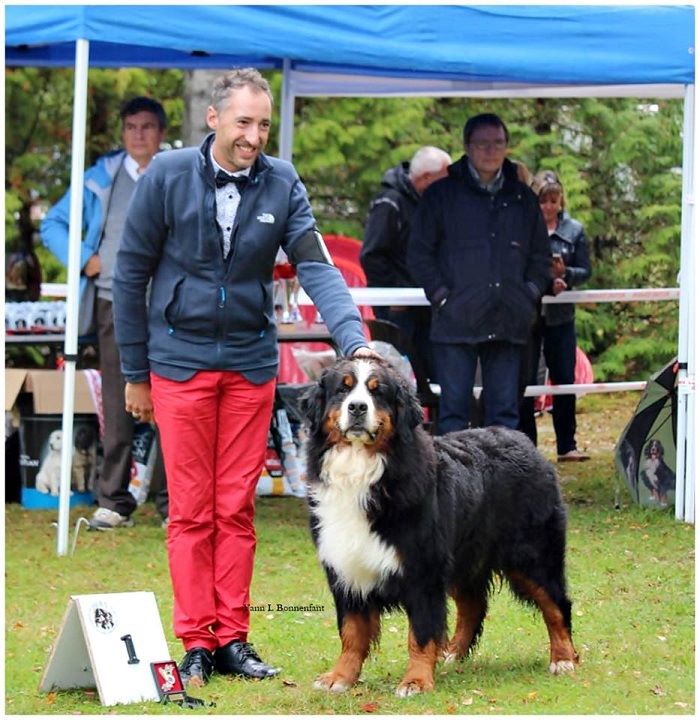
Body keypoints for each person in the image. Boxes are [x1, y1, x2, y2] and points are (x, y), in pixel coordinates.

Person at [112, 68, 375, 688]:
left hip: (249, 366)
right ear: (213, 119)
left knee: (236, 507)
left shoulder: (282, 182)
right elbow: (129, 276)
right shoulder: (168, 175)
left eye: (263, 125)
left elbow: (317, 267)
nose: (254, 136)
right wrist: (134, 371)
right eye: (243, 123)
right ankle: (195, 642)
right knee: (190, 511)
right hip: (177, 363)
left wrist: (355, 340)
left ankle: (232, 638)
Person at [41, 96, 169, 530]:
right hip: (114, 303)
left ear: (162, 133)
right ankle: (114, 501)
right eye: (130, 126)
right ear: (122, 132)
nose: (138, 134)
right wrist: (81, 257)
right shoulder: (101, 178)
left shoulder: (178, 174)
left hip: (171, 306)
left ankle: (175, 504)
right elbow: (51, 224)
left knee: (174, 401)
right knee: (118, 403)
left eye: (147, 127)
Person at [407, 113, 551, 434]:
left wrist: (527, 294)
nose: (490, 151)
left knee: (505, 416)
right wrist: (442, 296)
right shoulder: (441, 195)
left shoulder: (522, 197)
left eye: (497, 143)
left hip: (508, 321)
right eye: (482, 144)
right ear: (467, 147)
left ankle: (503, 485)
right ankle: (453, 484)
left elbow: (541, 257)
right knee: (454, 415)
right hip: (455, 322)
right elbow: (418, 254)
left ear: (507, 146)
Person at [518, 170, 592, 461]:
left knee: (564, 378)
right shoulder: (524, 229)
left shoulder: (574, 230)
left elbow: (586, 270)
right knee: (525, 379)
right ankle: (527, 447)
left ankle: (567, 444)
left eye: (553, 201)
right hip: (529, 315)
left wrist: (566, 275)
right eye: (543, 201)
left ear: (561, 201)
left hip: (562, 316)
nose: (549, 206)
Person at [360, 146, 451, 379]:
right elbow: (372, 255)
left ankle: (434, 415)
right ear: (426, 178)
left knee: (435, 375)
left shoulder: (430, 203)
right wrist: (394, 294)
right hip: (397, 311)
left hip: (427, 305)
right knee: (396, 378)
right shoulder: (389, 203)